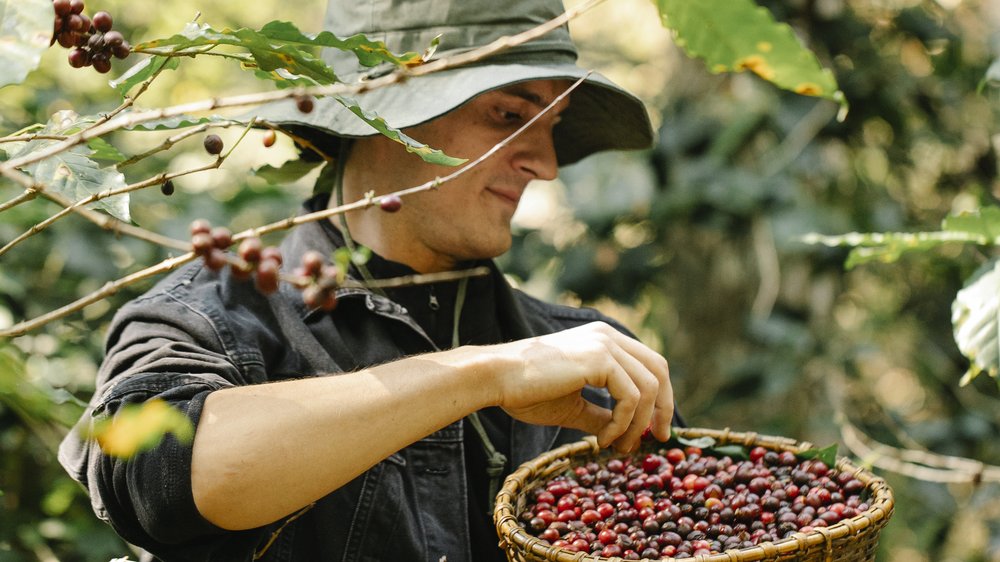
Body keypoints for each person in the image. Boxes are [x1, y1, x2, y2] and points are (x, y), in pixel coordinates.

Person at [58, 0, 678, 560]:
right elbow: (153, 478)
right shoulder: (211, 318)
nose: (544, 163)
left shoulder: (591, 360)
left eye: (553, 125)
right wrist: (486, 374)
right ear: (382, 114)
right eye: (509, 114)